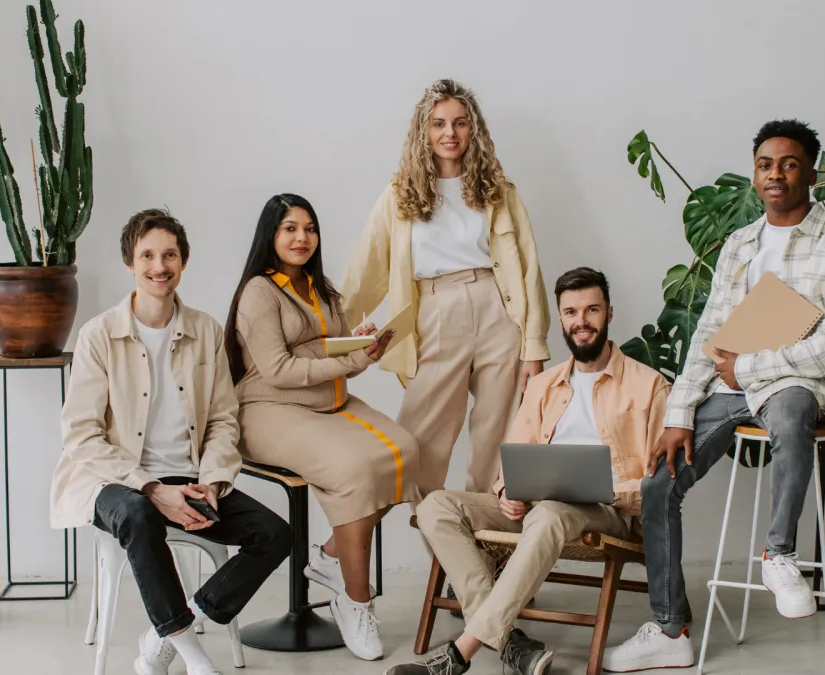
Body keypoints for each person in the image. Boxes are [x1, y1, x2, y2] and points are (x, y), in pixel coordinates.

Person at [603, 119, 825, 672]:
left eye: (789, 164)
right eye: (766, 165)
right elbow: (708, 335)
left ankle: (779, 555)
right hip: (728, 388)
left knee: (793, 405)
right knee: (658, 484)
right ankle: (671, 629)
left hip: (796, 384)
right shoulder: (740, 244)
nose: (775, 174)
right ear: (756, 173)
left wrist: (751, 366)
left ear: (812, 175)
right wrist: (679, 413)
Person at [385, 268, 671, 675]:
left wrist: (606, 490)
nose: (581, 321)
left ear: (609, 313)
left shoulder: (649, 386)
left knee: (551, 511)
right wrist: (506, 491)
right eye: (571, 312)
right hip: (535, 509)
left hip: (603, 513)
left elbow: (658, 485)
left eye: (591, 310)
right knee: (436, 505)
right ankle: (511, 643)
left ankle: (459, 654)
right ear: (560, 319)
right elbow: (515, 457)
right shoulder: (543, 385)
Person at [50, 209, 292, 675]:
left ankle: (164, 638)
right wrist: (150, 487)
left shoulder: (204, 331)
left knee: (275, 533)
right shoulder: (99, 335)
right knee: (140, 514)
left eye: (169, 255)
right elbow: (81, 434)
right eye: (147, 255)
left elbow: (224, 419)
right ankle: (191, 652)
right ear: (130, 262)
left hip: (190, 478)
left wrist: (214, 482)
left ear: (183, 262)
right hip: (113, 481)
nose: (159, 266)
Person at [224, 194, 422, 661]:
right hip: (268, 408)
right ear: (270, 235)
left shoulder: (323, 288)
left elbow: (340, 361)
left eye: (309, 228)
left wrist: (364, 348)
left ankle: (332, 556)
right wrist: (349, 358)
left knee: (408, 451)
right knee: (355, 469)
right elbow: (276, 370)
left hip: (329, 402)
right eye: (290, 228)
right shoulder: (258, 291)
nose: (301, 238)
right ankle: (354, 599)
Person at [340, 78, 551, 501]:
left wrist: (533, 344)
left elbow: (528, 270)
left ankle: (489, 540)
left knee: (498, 438)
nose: (449, 134)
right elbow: (367, 269)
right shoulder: (399, 194)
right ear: (424, 131)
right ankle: (440, 529)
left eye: (459, 123)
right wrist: (332, 330)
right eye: (438, 124)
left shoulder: (498, 192)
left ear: (473, 130)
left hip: (498, 312)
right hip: (434, 312)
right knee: (418, 441)